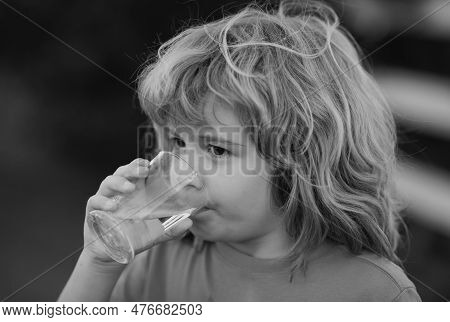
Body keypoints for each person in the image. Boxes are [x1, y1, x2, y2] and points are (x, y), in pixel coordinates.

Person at [59, 0, 421, 301]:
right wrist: (100, 262)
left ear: (300, 162)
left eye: (216, 149)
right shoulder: (158, 259)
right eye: (178, 142)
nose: (185, 169)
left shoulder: (375, 293)